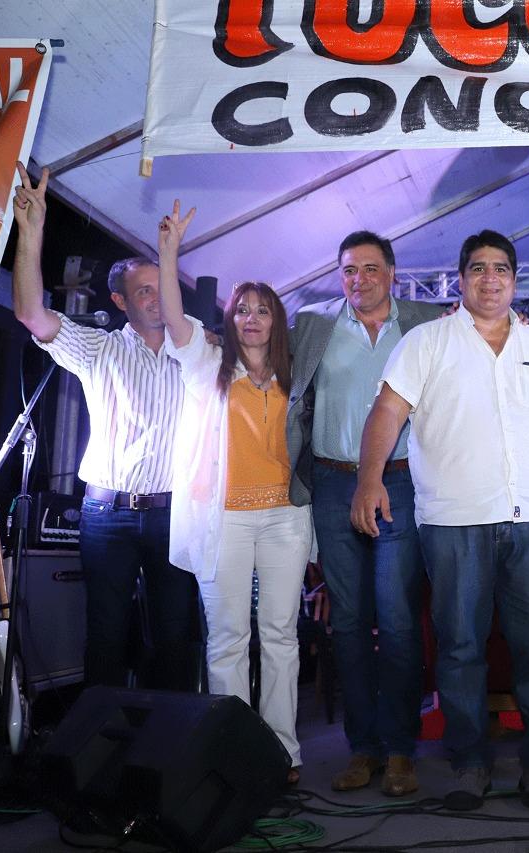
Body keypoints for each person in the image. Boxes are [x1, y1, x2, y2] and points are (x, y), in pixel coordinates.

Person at [350, 230, 529, 812]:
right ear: (461, 279)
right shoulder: (426, 342)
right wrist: (369, 479)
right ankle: (469, 763)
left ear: (515, 280)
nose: (490, 278)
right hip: (452, 522)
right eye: (478, 269)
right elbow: (387, 410)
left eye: (501, 269)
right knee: (460, 647)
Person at [9, 165, 200, 690]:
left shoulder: (196, 351)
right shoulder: (101, 348)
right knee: (106, 638)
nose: (157, 296)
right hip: (106, 514)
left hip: (172, 514)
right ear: (119, 302)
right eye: (143, 291)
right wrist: (32, 233)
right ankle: (101, 756)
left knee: (175, 637)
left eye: (160, 285)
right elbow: (30, 312)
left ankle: (175, 755)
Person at [157, 202, 313, 781]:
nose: (252, 318)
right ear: (230, 318)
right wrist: (169, 253)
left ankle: (282, 752)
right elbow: (174, 319)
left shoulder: (293, 374)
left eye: (263, 310)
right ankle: (233, 753)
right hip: (221, 519)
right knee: (227, 639)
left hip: (284, 520)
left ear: (277, 320)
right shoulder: (205, 361)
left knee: (279, 635)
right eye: (242, 309)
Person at [287, 231, 439, 796]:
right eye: (350, 270)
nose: (360, 280)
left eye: (371, 269)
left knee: (398, 622)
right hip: (331, 482)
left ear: (393, 273)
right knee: (347, 624)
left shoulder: (425, 321)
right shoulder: (312, 325)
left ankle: (401, 751)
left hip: (401, 485)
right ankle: (362, 749)